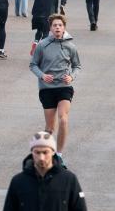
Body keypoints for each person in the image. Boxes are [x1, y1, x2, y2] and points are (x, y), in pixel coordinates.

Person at [30, 13, 82, 157]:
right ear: (50, 28)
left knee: (63, 119)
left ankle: (58, 155)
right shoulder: (42, 45)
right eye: (55, 25)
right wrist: (42, 75)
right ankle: (47, 152)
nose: (57, 27)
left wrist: (71, 77)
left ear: (64, 28)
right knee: (50, 127)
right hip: (47, 89)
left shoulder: (70, 46)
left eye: (60, 25)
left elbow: (77, 66)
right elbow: (33, 65)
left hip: (64, 87)